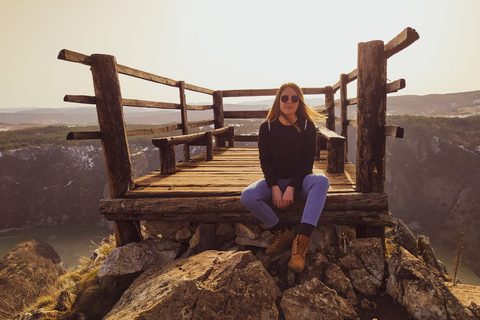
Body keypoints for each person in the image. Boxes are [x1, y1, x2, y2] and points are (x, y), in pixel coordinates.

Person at [241, 82, 330, 273]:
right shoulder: (267, 128)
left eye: (294, 98)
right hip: (275, 180)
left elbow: (307, 163)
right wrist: (274, 187)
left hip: (300, 182)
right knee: (247, 196)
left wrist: (291, 187)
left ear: (299, 102)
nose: (289, 101)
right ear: (278, 101)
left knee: (322, 181)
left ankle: (301, 244)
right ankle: (281, 233)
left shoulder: (308, 126)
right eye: (284, 98)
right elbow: (265, 162)